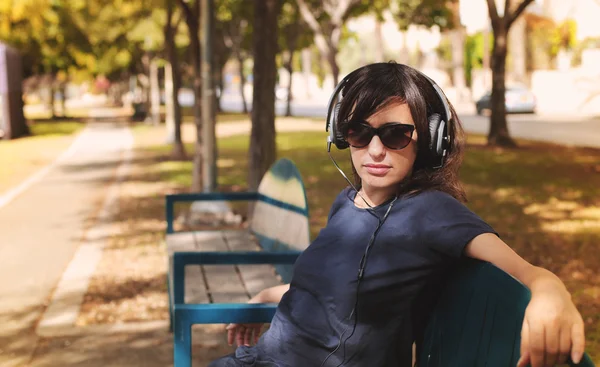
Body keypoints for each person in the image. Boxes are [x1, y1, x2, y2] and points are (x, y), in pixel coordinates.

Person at [209, 62, 585, 367]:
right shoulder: (348, 201)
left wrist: (550, 291)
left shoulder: (431, 212)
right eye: (359, 132)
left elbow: (529, 273)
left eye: (394, 135)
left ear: (429, 140)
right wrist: (265, 296)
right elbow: (327, 290)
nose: (374, 150)